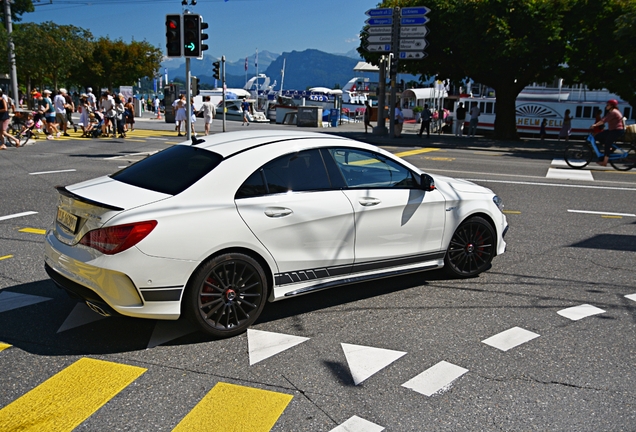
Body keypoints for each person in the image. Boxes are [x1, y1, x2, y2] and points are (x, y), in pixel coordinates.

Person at [593, 99, 625, 167]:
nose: (606, 106)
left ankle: (604, 162)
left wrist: (595, 125)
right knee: (598, 136)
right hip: (612, 130)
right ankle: (610, 148)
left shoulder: (613, 112)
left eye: (608, 105)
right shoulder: (611, 111)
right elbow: (604, 119)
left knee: (607, 144)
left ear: (611, 106)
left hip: (617, 130)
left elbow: (604, 120)